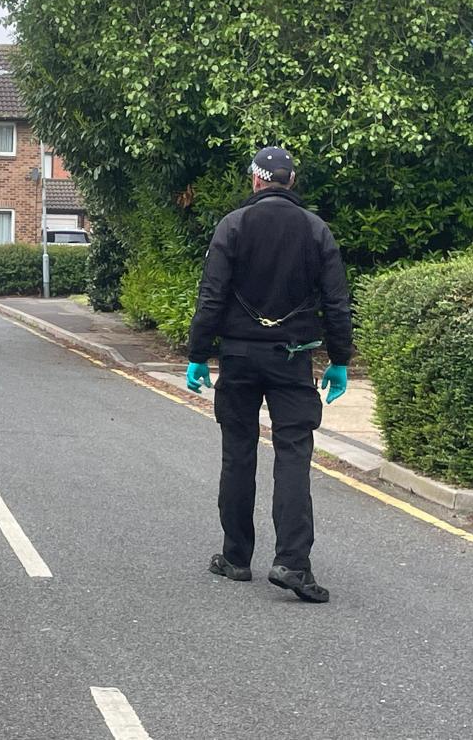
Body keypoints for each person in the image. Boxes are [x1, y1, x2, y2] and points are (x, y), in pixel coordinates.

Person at [185, 146, 352, 603]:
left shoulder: (233, 225)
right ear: (290, 182)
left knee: (238, 453)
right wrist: (340, 359)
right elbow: (336, 302)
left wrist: (198, 353)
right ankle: (292, 563)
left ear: (256, 181)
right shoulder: (317, 230)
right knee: (293, 455)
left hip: (238, 358)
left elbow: (212, 295)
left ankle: (236, 558)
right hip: (293, 357)